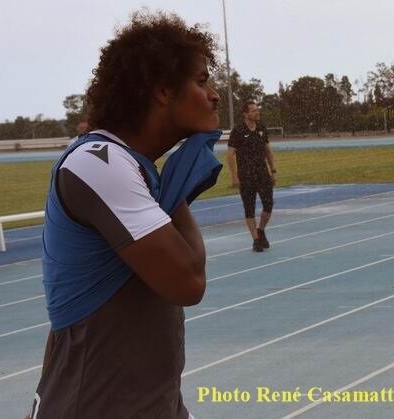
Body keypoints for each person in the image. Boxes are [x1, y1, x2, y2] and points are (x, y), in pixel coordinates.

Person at [28, 10, 221, 419]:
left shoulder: (129, 165)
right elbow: (188, 281)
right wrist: (176, 187)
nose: (214, 95)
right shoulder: (99, 162)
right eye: (202, 81)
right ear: (163, 90)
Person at [227, 101, 277, 252]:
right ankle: (256, 240)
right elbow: (230, 154)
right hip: (246, 175)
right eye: (254, 111)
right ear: (245, 114)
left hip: (262, 173)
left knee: (268, 205)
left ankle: (260, 230)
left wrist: (273, 170)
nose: (257, 112)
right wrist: (234, 176)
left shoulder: (261, 128)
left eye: (257, 110)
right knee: (249, 208)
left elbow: (267, 150)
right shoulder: (238, 130)